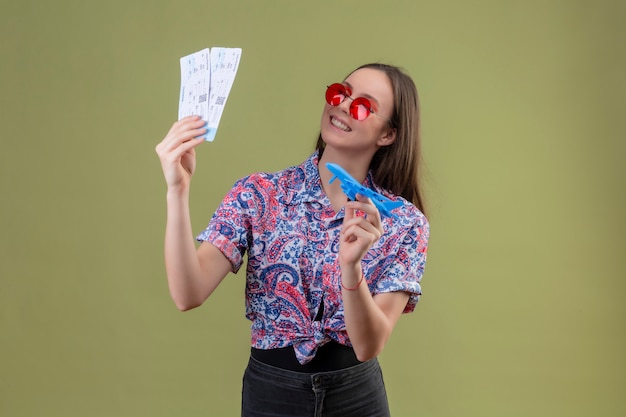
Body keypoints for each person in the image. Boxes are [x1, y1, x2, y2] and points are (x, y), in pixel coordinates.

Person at [155, 63, 430, 416]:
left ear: (388, 135)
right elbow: (187, 293)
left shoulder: (404, 223)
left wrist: (351, 267)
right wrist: (177, 191)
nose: (343, 105)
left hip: (356, 398)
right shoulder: (259, 194)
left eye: (363, 105)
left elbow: (369, 345)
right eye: (339, 92)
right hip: (271, 394)